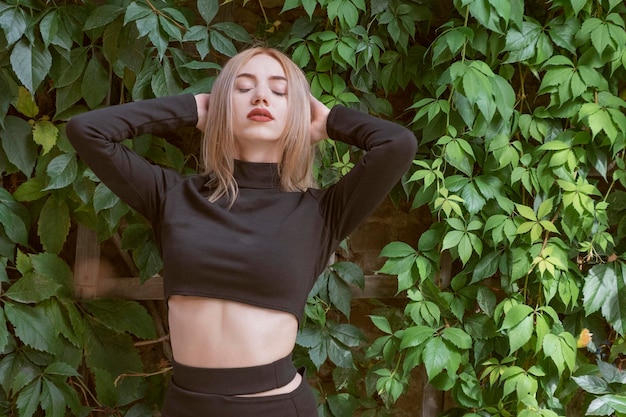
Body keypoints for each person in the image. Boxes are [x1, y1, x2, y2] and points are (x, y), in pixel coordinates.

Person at [66, 46, 417, 417]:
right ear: (218, 105)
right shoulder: (172, 196)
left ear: (297, 112)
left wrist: (329, 121)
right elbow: (86, 131)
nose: (261, 96)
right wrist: (191, 108)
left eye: (280, 91)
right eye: (242, 87)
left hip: (274, 407)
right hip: (185, 406)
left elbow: (398, 144)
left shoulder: (321, 211)